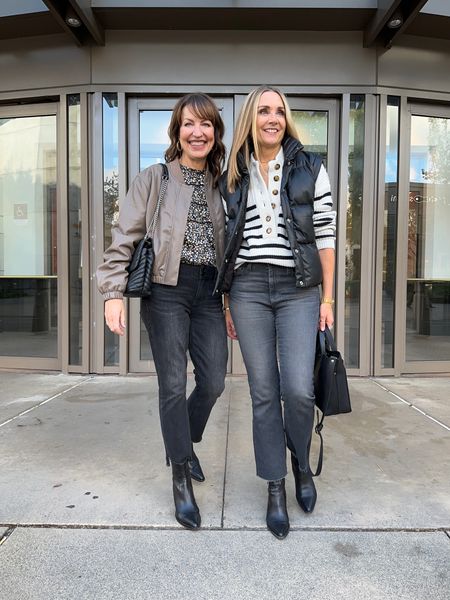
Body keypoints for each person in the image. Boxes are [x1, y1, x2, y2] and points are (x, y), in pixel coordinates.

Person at [97, 93, 228, 530]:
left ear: (215, 133)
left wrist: (227, 299)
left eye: (206, 124)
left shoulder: (222, 184)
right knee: (172, 384)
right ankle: (180, 480)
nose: (198, 132)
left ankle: (182, 445)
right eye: (189, 124)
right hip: (166, 290)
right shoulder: (155, 178)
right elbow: (125, 235)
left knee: (211, 382)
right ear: (177, 132)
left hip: (208, 291)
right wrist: (112, 291)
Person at [215, 85, 336, 539]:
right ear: (251, 117)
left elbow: (325, 234)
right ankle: (275, 485)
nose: (272, 117)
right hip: (247, 288)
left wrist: (327, 300)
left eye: (279, 111)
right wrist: (227, 300)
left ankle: (302, 463)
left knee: (300, 390)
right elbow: (225, 242)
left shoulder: (310, 167)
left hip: (298, 288)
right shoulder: (231, 172)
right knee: (263, 392)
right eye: (264, 110)